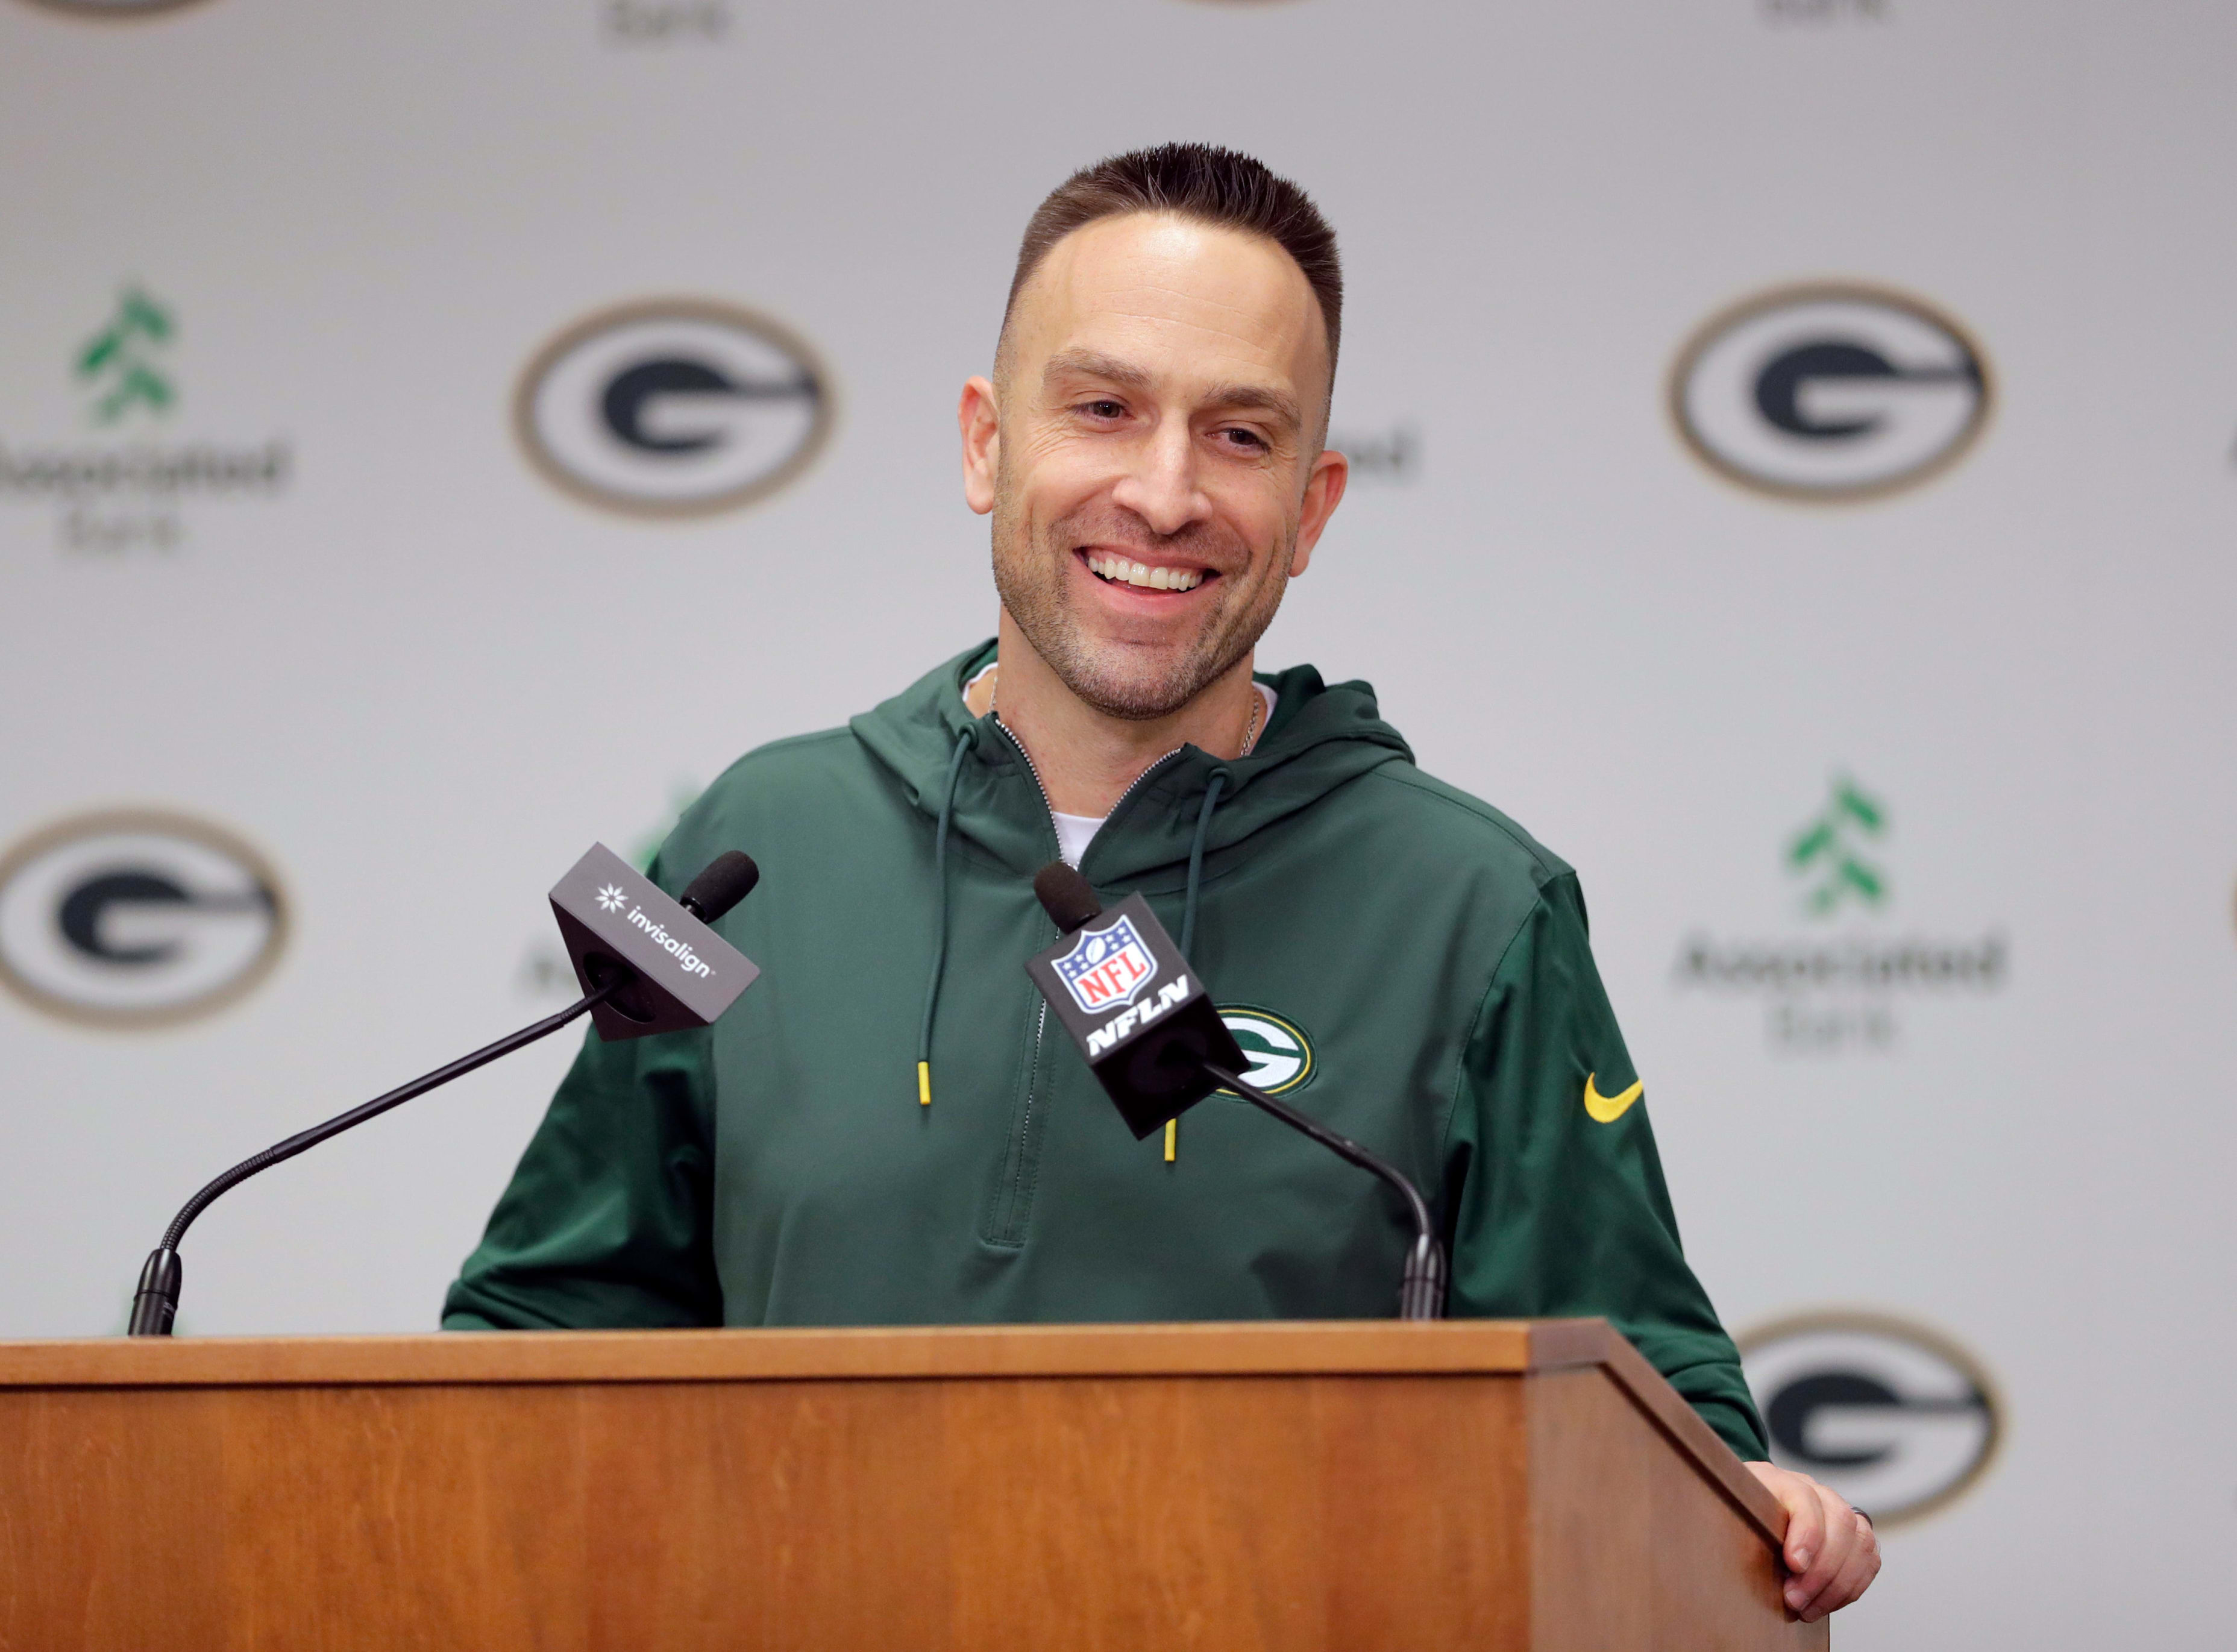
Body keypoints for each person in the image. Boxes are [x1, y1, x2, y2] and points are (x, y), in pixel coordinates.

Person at [447, 143, 1879, 1622]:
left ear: (1315, 508)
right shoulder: (755, 839)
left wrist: (1746, 1499)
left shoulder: (1473, 904)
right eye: (1105, 409)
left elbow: (1639, 1388)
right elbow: (551, 1314)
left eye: (1242, 437)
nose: (1166, 491)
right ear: (984, 445)